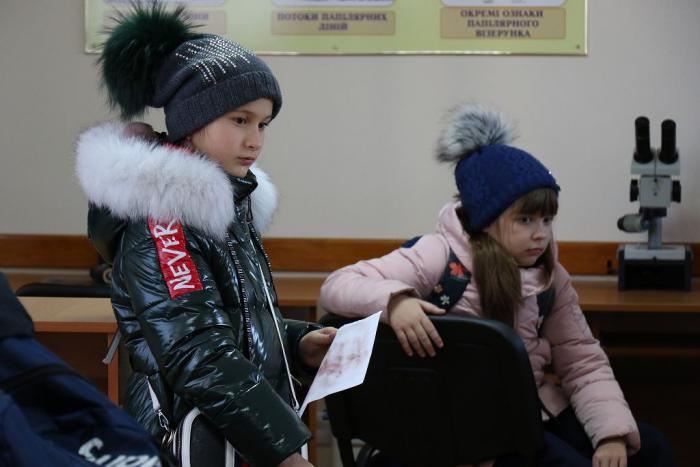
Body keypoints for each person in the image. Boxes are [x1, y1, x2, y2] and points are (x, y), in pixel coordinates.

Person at [318, 104, 674, 466]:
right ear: (485, 219)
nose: (541, 234)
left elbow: (582, 362)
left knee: (651, 448)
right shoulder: (439, 255)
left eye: (547, 219)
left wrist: (611, 435)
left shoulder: (551, 278)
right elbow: (339, 284)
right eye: (525, 219)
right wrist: (396, 302)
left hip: (528, 409)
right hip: (457, 423)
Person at [75, 4, 335, 466]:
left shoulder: (225, 205)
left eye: (263, 124)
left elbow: (229, 318)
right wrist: (283, 452)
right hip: (189, 440)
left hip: (233, 433)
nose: (255, 140)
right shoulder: (164, 219)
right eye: (240, 120)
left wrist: (295, 341)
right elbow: (197, 353)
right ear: (193, 119)